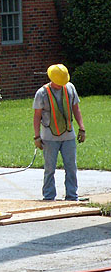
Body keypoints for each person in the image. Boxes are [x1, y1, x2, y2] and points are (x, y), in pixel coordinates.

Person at [32, 64, 86, 201]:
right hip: (49, 137)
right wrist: (37, 136)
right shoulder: (42, 93)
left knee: (71, 167)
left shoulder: (70, 88)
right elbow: (37, 116)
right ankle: (49, 196)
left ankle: (72, 196)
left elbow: (76, 109)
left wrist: (82, 128)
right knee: (49, 169)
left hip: (68, 136)